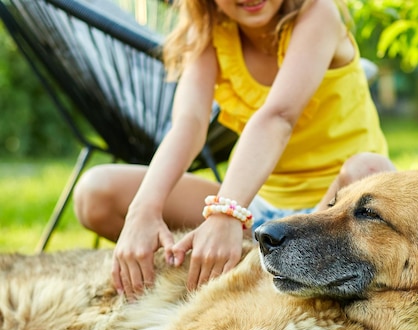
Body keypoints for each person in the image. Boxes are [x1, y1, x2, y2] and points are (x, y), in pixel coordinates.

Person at [73, 0, 395, 301]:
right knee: (96, 194)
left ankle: (257, 271)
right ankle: (229, 268)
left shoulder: (317, 13)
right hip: (261, 212)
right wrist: (143, 210)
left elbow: (278, 117)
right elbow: (189, 123)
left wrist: (226, 212)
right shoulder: (211, 34)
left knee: (369, 171)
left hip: (333, 215)